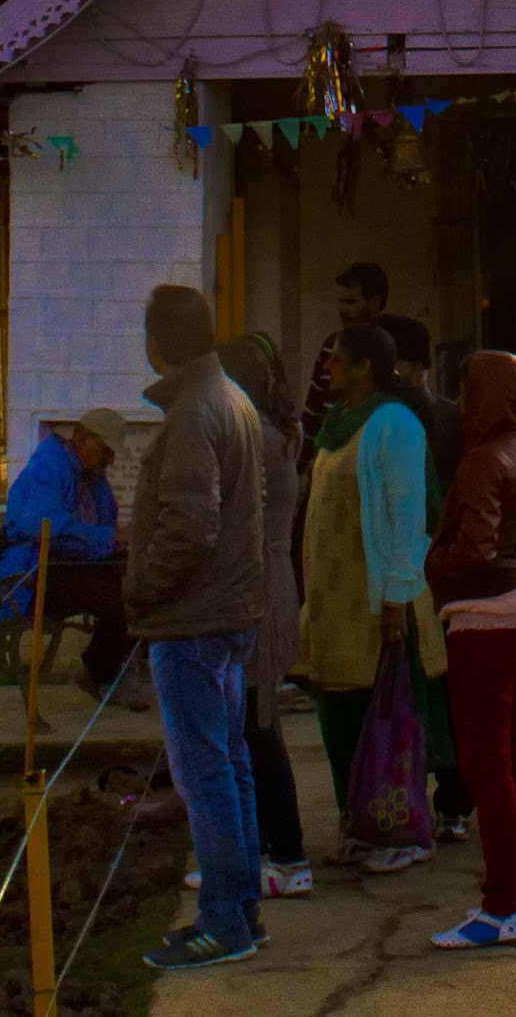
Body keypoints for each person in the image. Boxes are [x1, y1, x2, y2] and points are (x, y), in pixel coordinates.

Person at [129, 282, 269, 974]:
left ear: (158, 344)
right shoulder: (232, 398)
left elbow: (189, 525)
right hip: (229, 612)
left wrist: (141, 584)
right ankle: (241, 907)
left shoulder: (193, 410)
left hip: (194, 618)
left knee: (205, 771)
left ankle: (223, 920)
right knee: (230, 762)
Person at [294, 323, 439, 873]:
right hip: (334, 607)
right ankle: (358, 827)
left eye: (338, 360)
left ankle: (401, 833)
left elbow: (407, 512)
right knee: (340, 719)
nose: (327, 369)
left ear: (366, 369)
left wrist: (397, 596)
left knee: (381, 720)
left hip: (377, 604)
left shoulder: (393, 424)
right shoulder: (334, 424)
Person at [424, 348, 516, 950]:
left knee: (487, 766)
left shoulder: (482, 460)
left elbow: (474, 552)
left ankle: (498, 908)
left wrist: (433, 560)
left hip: (485, 618)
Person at [210, 333, 315, 899]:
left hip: (256, 585)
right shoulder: (275, 432)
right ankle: (265, 851)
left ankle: (288, 853)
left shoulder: (255, 439)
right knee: (251, 723)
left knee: (256, 725)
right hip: (268, 581)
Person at [378, 312, 471, 847]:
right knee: (436, 691)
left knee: (423, 690)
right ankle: (450, 804)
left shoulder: (398, 421)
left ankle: (433, 801)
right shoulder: (450, 418)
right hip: (439, 572)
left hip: (419, 572)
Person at [0, 404, 133, 696]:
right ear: (82, 439)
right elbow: (45, 527)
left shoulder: (90, 475)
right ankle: (98, 671)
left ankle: (113, 668)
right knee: (121, 600)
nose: (109, 460)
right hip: (36, 572)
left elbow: (105, 522)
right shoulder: (50, 466)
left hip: (71, 566)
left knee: (141, 588)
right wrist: (111, 538)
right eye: (105, 450)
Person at [301, 259, 392, 456]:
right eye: (340, 301)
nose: (342, 310)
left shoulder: (390, 353)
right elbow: (312, 413)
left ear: (374, 303)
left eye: (350, 302)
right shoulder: (331, 346)